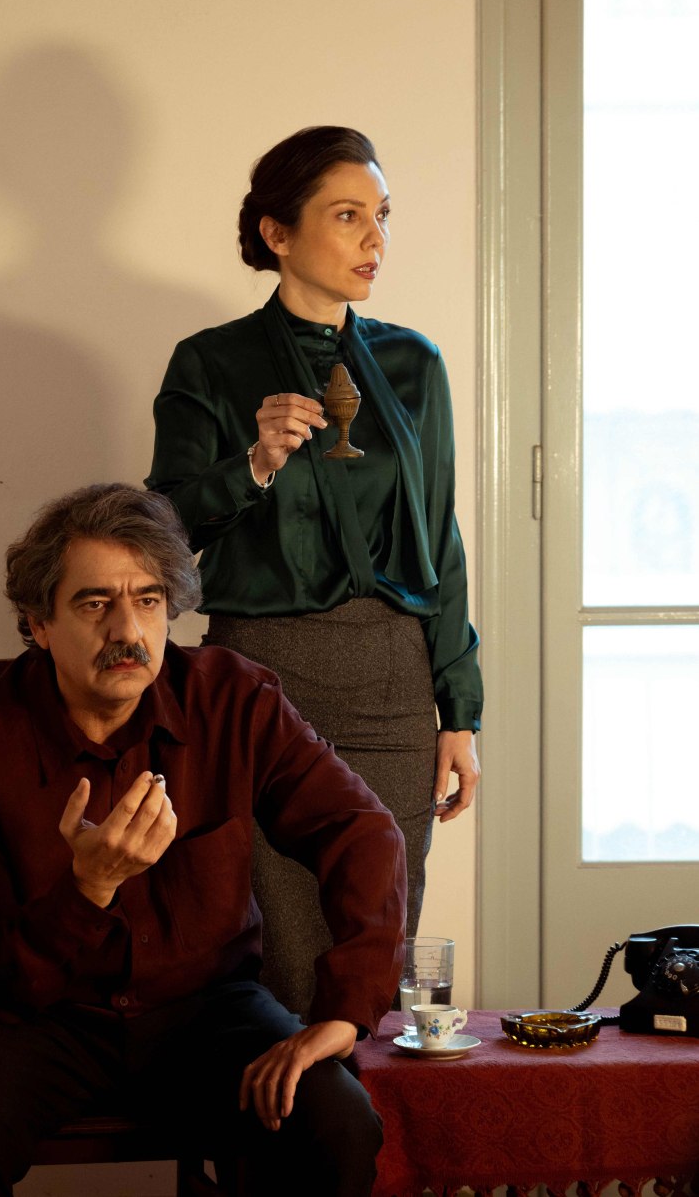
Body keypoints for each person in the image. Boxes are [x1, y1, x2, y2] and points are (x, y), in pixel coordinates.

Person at [0, 482, 406, 1197]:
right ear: (39, 624)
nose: (129, 631)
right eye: (95, 604)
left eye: (147, 600)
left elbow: (361, 830)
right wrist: (86, 891)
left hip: (207, 1013)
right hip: (35, 1018)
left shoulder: (233, 700)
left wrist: (344, 1014)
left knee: (337, 1121)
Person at [146, 126, 482, 999]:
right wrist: (254, 464)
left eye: (383, 215)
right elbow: (160, 531)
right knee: (283, 959)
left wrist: (459, 710)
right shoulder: (210, 362)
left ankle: (356, 1096)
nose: (376, 239)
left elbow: (438, 539)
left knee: (376, 953)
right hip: (265, 679)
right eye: (347, 215)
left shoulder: (414, 364)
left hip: (393, 685)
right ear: (278, 233)